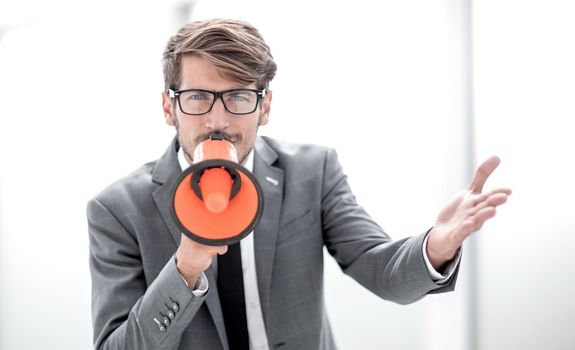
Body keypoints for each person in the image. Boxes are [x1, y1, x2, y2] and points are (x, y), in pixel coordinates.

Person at [87, 18, 511, 350]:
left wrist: (435, 245)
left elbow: (380, 269)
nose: (217, 121)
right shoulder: (117, 210)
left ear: (265, 106)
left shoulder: (313, 171)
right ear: (168, 105)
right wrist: (184, 269)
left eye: (238, 97)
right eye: (198, 97)